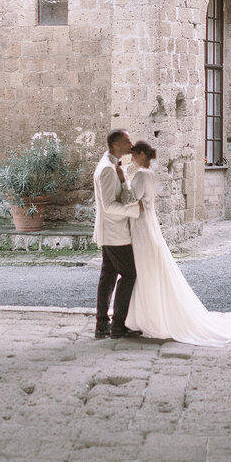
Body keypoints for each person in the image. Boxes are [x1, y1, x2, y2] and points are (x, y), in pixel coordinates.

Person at [126, 141, 231, 347]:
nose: (131, 158)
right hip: (148, 225)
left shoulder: (140, 175)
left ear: (141, 155)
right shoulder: (150, 175)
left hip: (141, 227)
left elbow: (131, 200)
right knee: (148, 269)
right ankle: (144, 316)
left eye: (133, 154)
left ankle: (144, 317)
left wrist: (122, 183)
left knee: (143, 269)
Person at [92, 129, 144, 340]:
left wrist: (123, 180)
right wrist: (134, 209)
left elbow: (117, 195)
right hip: (114, 232)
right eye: (126, 141)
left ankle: (103, 325)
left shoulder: (113, 166)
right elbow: (109, 206)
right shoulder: (105, 169)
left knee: (108, 277)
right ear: (116, 145)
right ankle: (117, 326)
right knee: (129, 274)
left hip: (113, 232)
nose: (131, 144)